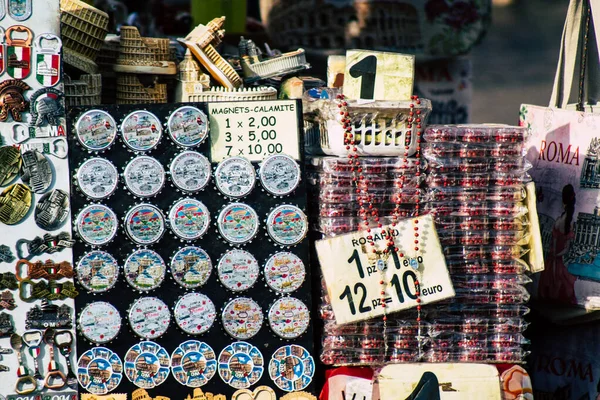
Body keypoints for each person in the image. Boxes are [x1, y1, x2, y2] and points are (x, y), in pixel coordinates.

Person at [538, 184, 577, 304]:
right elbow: (567, 247)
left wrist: (555, 255)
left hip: (553, 260)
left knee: (551, 287)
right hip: (556, 259)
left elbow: (561, 244)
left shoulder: (562, 220)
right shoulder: (568, 220)